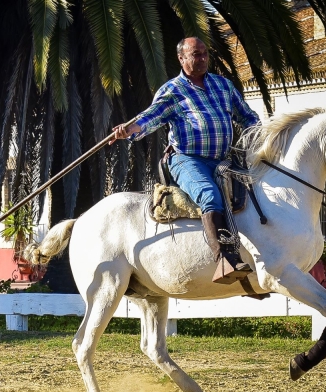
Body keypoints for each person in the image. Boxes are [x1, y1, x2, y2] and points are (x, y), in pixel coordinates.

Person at [109, 37, 260, 283]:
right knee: (209, 195)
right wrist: (130, 129)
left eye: (204, 54)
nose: (202, 59)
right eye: (195, 54)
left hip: (223, 160)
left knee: (258, 192)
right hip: (187, 160)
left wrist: (262, 136)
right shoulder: (173, 91)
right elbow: (150, 117)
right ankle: (224, 260)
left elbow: (248, 117)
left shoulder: (224, 85)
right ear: (181, 58)